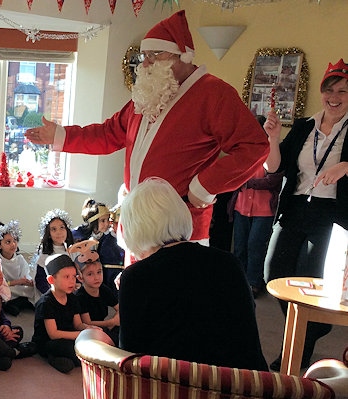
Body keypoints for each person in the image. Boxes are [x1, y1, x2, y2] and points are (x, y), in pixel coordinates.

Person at [25, 10, 268, 243]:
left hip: (179, 225)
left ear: (182, 55)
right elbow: (109, 133)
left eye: (155, 55)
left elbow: (254, 146)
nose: (146, 64)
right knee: (138, 282)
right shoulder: (148, 96)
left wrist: (204, 187)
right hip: (138, 222)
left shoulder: (214, 93)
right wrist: (61, 135)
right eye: (145, 56)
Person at [117, 177, 268, 370]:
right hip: (243, 389)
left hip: (173, 393)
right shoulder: (228, 262)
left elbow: (131, 358)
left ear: (133, 228)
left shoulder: (135, 277)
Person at [263, 59, 348, 371]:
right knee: (273, 274)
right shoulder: (303, 126)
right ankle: (310, 328)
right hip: (295, 208)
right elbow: (274, 167)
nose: (335, 96)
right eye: (330, 90)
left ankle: (297, 350)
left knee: (312, 283)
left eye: (343, 91)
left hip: (332, 216)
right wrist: (272, 138)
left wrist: (345, 166)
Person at [229, 115, 283, 298]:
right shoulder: (242, 150)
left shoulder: (272, 150)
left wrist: (249, 183)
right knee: (240, 247)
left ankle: (253, 282)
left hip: (264, 209)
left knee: (255, 246)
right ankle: (238, 281)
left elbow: (273, 180)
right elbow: (234, 176)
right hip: (241, 206)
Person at [32, 254, 94, 373]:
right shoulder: (46, 302)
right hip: (49, 341)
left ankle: (69, 360)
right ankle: (54, 358)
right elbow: (53, 334)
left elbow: (78, 324)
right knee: (68, 348)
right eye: (66, 277)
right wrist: (80, 335)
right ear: (51, 280)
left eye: (73, 276)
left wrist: (88, 329)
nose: (72, 281)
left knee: (93, 340)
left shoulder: (72, 298)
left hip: (69, 335)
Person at [71, 242, 120, 346]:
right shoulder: (80, 296)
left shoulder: (103, 289)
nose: (96, 277)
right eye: (90, 274)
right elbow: (88, 323)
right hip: (88, 330)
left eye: (99, 272)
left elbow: (119, 308)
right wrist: (111, 322)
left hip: (104, 327)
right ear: (80, 278)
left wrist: (116, 319)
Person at [72, 199, 124, 294]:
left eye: (108, 220)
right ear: (94, 221)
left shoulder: (106, 236)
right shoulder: (79, 237)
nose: (107, 224)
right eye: (103, 220)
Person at [0, 220, 35, 316]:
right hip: (7, 287)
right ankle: (12, 303)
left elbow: (26, 273)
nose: (13, 244)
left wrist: (29, 280)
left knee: (34, 288)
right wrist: (17, 282)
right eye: (8, 242)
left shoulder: (19, 258)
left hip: (19, 287)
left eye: (15, 240)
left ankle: (18, 302)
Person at [34, 209, 74, 295]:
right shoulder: (45, 254)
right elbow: (40, 281)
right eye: (54, 229)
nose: (59, 232)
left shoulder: (72, 250)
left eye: (62, 227)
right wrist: (54, 293)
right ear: (48, 234)